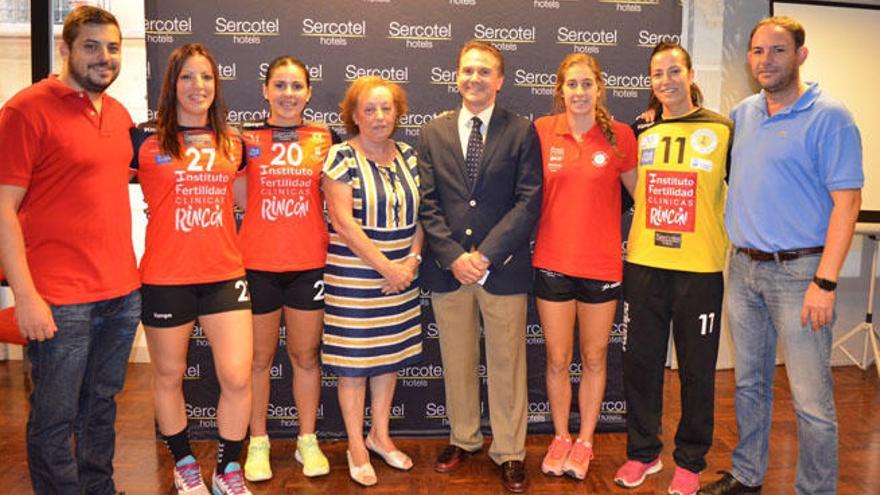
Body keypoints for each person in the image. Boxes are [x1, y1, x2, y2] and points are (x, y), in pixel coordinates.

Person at [699, 17, 862, 495]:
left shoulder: (831, 116)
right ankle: (748, 474)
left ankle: (815, 490)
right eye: (757, 52)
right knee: (749, 385)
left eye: (777, 51)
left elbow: (847, 203)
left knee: (811, 400)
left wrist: (825, 283)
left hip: (802, 276)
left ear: (801, 55)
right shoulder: (745, 113)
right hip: (744, 268)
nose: (765, 61)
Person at [0, 6, 141, 494]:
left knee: (100, 408)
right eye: (91, 46)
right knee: (55, 419)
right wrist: (26, 295)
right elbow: (3, 208)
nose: (105, 58)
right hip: (58, 298)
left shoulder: (119, 114)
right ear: (65, 49)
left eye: (113, 47)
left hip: (122, 293)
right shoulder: (26, 109)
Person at [418, 40, 543, 494]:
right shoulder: (433, 132)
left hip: (502, 269)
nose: (475, 78)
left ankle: (510, 450)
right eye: (468, 70)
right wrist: (454, 257)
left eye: (485, 71)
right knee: (456, 360)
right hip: (449, 269)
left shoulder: (521, 131)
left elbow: (529, 201)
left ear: (500, 80)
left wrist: (486, 255)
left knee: (508, 364)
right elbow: (427, 203)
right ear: (457, 76)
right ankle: (464, 438)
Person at [131, 43, 254, 495]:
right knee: (168, 375)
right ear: (171, 84)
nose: (197, 86)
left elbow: (245, 203)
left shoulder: (233, 142)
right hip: (165, 277)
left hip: (224, 274)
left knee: (239, 375)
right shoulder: (141, 140)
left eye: (205, 77)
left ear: (216, 85)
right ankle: (184, 461)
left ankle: (228, 469)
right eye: (187, 77)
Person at [612, 42, 733, 495]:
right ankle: (643, 453)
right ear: (650, 81)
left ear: (689, 73)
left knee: (697, 370)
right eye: (657, 73)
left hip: (699, 270)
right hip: (644, 265)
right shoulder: (640, 131)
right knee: (640, 365)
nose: (666, 80)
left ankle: (690, 460)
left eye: (673, 71)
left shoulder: (722, 129)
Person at [532, 53, 638, 481]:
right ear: (561, 90)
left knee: (594, 357)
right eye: (571, 85)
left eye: (586, 84)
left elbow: (643, 198)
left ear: (599, 89)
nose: (579, 92)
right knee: (558, 360)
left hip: (602, 265)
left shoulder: (621, 137)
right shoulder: (541, 132)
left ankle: (586, 441)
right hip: (553, 262)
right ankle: (560, 436)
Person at [236, 55, 340, 483]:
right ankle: (258, 442)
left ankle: (306, 440)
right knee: (258, 360)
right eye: (279, 85)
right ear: (265, 91)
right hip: (257, 264)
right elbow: (240, 199)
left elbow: (335, 199)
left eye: (296, 86)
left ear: (309, 93)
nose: (288, 94)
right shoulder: (246, 138)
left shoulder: (324, 137)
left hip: (308, 263)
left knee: (304, 356)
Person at [321, 76, 423, 487]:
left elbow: (421, 217)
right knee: (355, 366)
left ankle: (379, 435)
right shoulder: (341, 157)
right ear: (354, 116)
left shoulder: (410, 156)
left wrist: (411, 263)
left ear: (397, 112)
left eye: (386, 108)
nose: (379, 116)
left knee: (388, 357)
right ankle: (355, 446)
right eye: (369, 109)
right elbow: (343, 223)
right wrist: (387, 268)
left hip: (402, 277)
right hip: (357, 278)